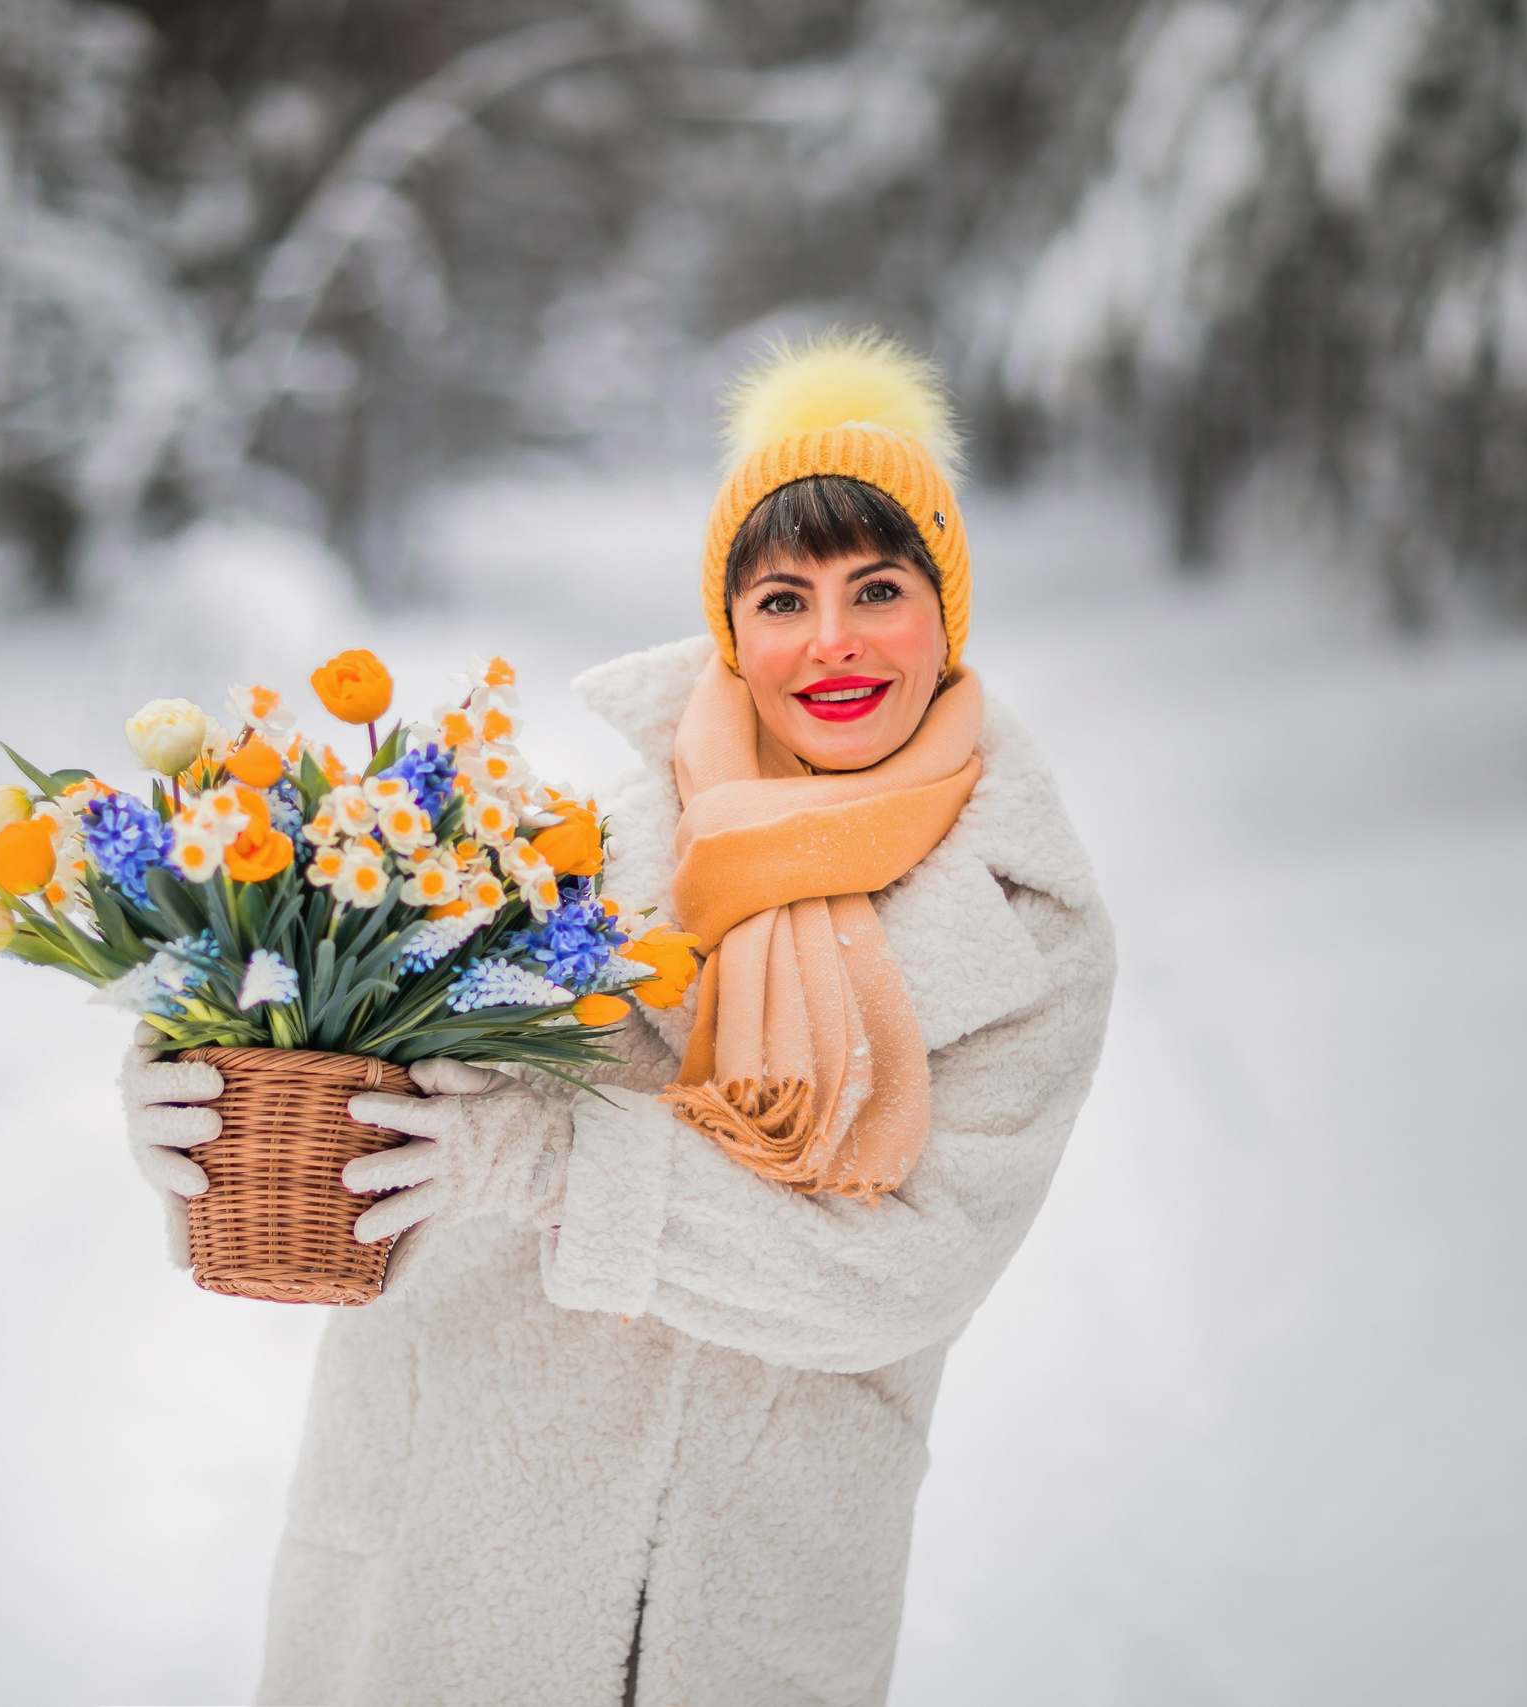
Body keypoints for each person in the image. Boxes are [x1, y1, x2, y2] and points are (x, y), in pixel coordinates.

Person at [121, 329, 1115, 1707]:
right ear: (730, 625)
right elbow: (369, 1089)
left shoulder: (1025, 930)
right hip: (448, 1578)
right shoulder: (567, 856)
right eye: (783, 598)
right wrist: (203, 1091)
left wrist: (558, 1163)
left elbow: (901, 1276)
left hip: (747, 1605)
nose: (831, 641)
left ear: (945, 609)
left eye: (877, 588)